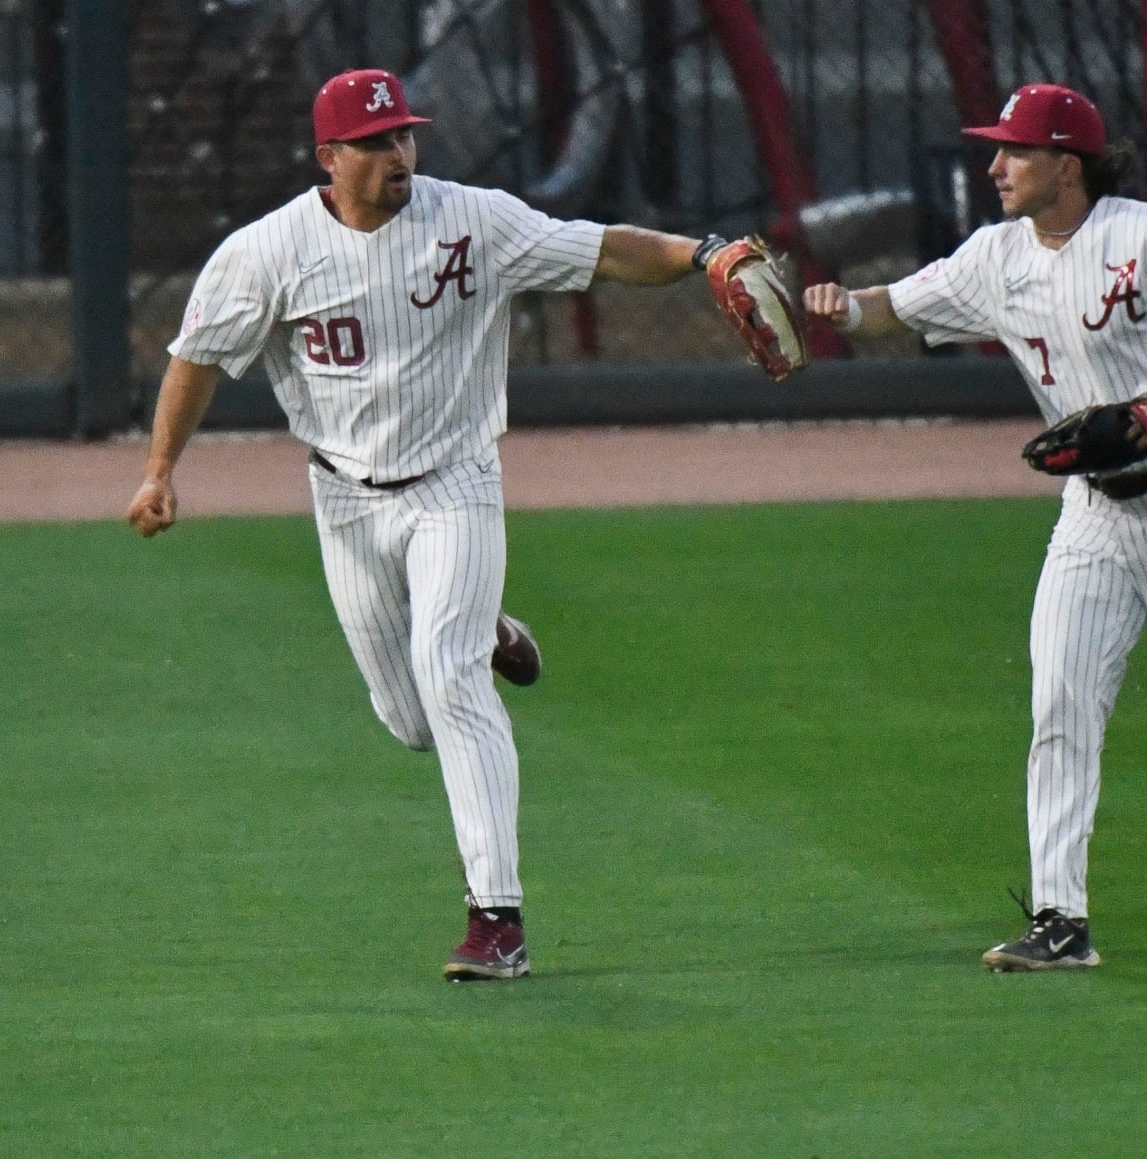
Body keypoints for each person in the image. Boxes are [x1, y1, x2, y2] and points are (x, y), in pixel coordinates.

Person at [127, 68, 727, 982]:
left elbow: (602, 249)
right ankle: (491, 626)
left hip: (455, 482)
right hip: (345, 499)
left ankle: (498, 920)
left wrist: (704, 254)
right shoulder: (267, 252)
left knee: (450, 683)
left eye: (405, 135)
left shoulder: (474, 220)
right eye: (375, 142)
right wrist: (160, 470)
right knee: (409, 720)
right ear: (329, 158)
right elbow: (197, 357)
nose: (399, 153)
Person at [804, 83, 1146, 971]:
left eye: (1015, 152)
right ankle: (1060, 921)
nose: (994, 166)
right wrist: (835, 308)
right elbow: (894, 307)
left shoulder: (1137, 241)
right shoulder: (996, 259)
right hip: (1099, 517)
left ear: (1065, 167)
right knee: (1060, 706)